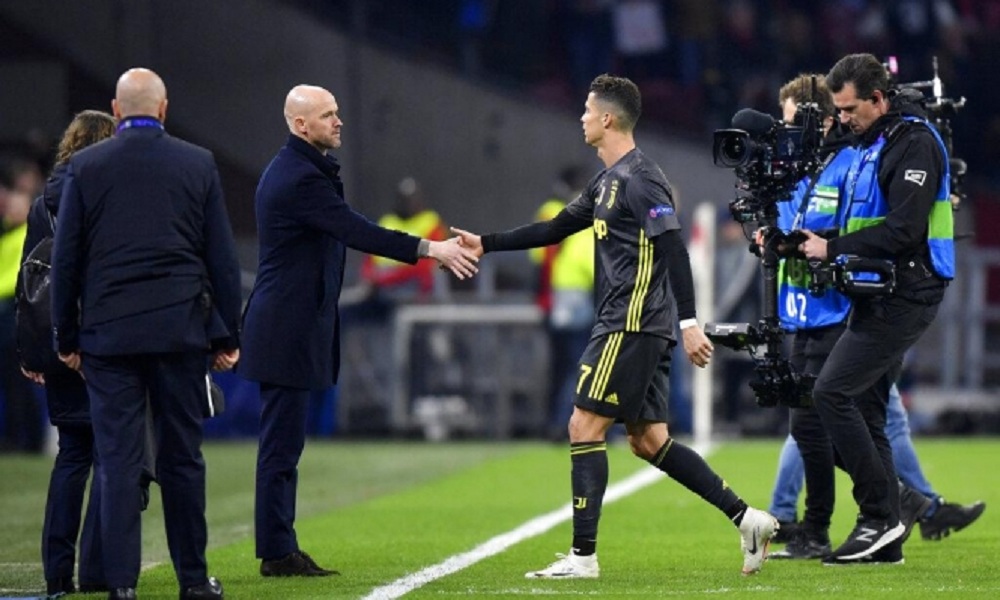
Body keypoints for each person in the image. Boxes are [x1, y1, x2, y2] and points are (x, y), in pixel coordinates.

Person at [452, 74, 778, 578]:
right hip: (635, 324)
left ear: (607, 118)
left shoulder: (642, 179)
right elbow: (556, 228)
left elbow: (673, 249)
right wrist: (487, 243)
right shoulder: (607, 181)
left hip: (630, 322)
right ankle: (748, 519)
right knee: (648, 440)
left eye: (587, 110)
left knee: (583, 426)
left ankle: (583, 557)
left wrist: (690, 323)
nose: (581, 117)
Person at [238, 84, 478, 578]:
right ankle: (276, 552)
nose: (339, 121)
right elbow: (356, 230)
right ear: (300, 125)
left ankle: (280, 546)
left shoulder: (303, 170)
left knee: (286, 445)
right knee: (281, 446)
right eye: (328, 115)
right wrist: (431, 249)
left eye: (336, 112)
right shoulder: (299, 178)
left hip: (292, 322)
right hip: (285, 326)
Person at [51, 68, 241, 600]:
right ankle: (193, 581)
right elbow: (222, 259)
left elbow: (66, 261)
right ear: (163, 108)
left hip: (108, 339)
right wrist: (227, 335)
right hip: (179, 334)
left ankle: (121, 586)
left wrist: (65, 337)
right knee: (182, 459)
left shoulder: (86, 167)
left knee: (117, 461)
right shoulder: (197, 163)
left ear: (116, 110)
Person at [797, 53, 955, 564]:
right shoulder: (874, 142)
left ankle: (879, 515)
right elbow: (864, 217)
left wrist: (833, 247)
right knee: (864, 407)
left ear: (879, 99)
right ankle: (887, 532)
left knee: (831, 392)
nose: (843, 119)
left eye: (849, 109)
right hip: (877, 292)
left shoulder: (914, 142)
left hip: (909, 292)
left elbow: (905, 229)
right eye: (838, 110)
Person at [16, 110, 116, 597]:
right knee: (109, 456)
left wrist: (35, 351)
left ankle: (58, 571)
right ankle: (97, 570)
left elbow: (28, 280)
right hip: (102, 342)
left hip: (57, 343)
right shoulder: (108, 196)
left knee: (71, 456)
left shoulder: (43, 203)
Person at [769, 385, 986, 546]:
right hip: (841, 341)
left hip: (823, 343)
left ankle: (783, 513)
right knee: (812, 423)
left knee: (808, 422)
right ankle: (923, 505)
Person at [529, 165, 594, 440]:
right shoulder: (561, 212)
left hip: (564, 296)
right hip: (569, 297)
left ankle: (559, 421)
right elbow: (543, 259)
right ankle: (559, 422)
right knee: (574, 365)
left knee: (566, 365)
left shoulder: (571, 213)